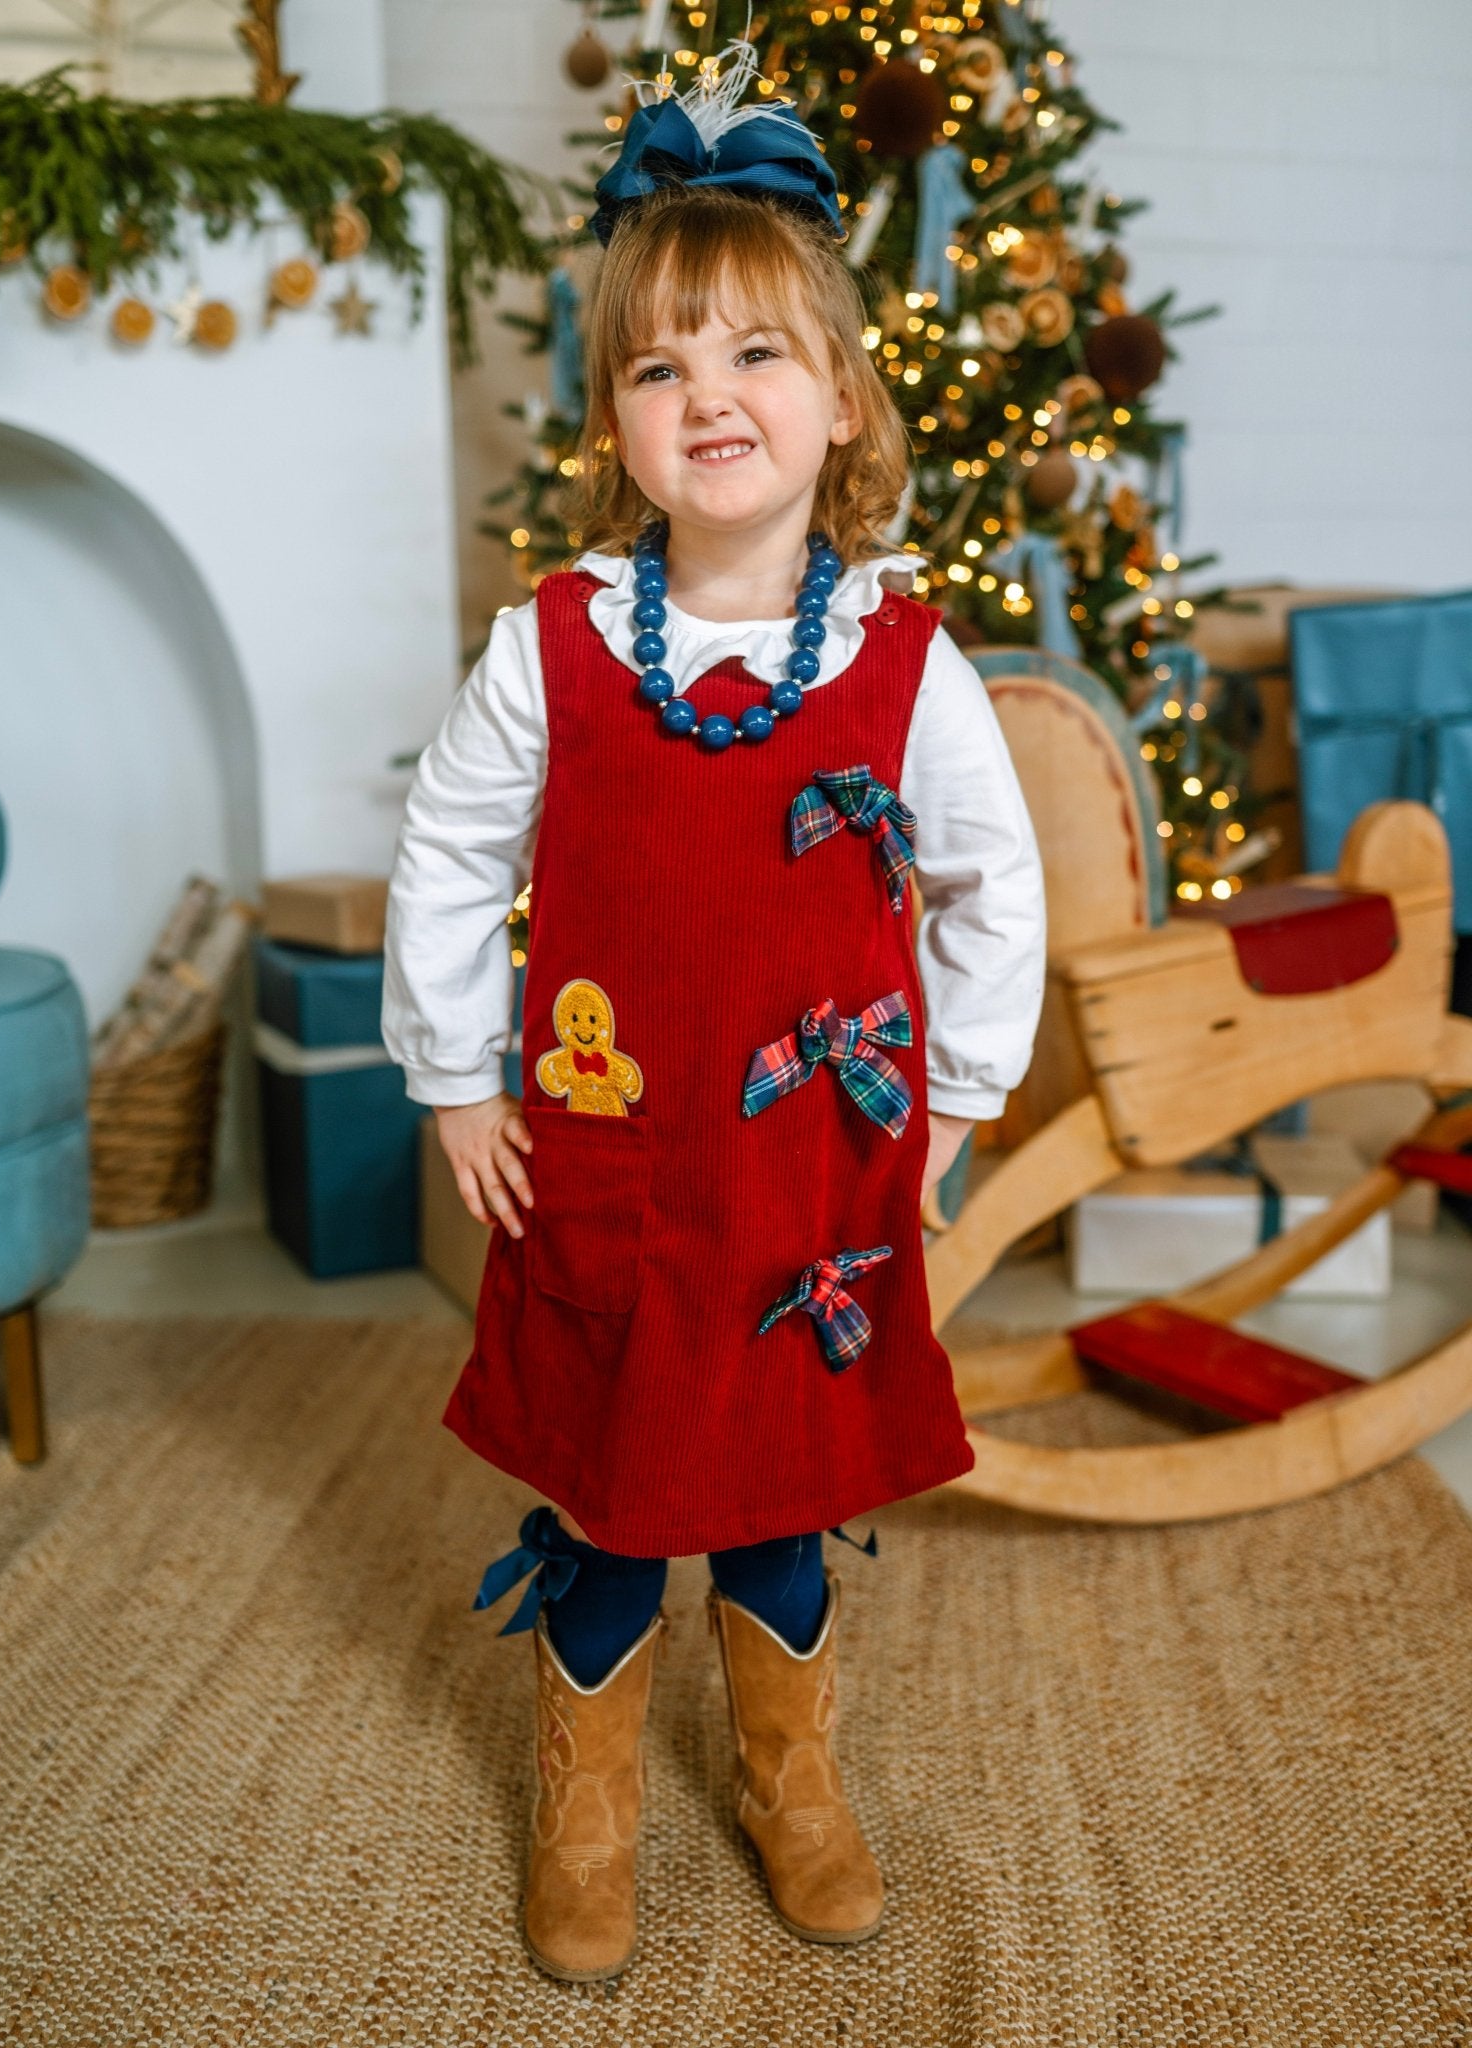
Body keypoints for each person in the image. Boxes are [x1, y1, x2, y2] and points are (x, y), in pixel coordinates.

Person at [382, 39, 1044, 1987]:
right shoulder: (561, 640)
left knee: (773, 1486)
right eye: (662, 366)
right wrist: (450, 1075)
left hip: (809, 1179)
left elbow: (993, 882)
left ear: (840, 400)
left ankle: (790, 1772)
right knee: (603, 1492)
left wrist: (953, 1109)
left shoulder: (904, 658)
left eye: (756, 354)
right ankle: (586, 1800)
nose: (710, 397)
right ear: (616, 419)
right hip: (602, 1154)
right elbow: (443, 850)